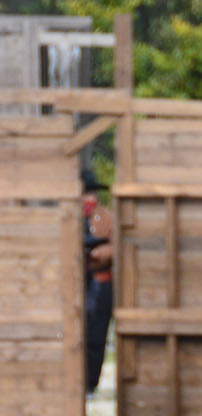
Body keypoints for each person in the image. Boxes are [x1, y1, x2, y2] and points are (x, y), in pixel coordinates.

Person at [81, 164, 114, 396]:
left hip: (100, 282)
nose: (88, 198)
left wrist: (93, 255)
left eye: (91, 193)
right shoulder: (71, 216)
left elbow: (116, 247)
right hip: (79, 282)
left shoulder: (107, 218)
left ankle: (91, 381)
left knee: (96, 334)